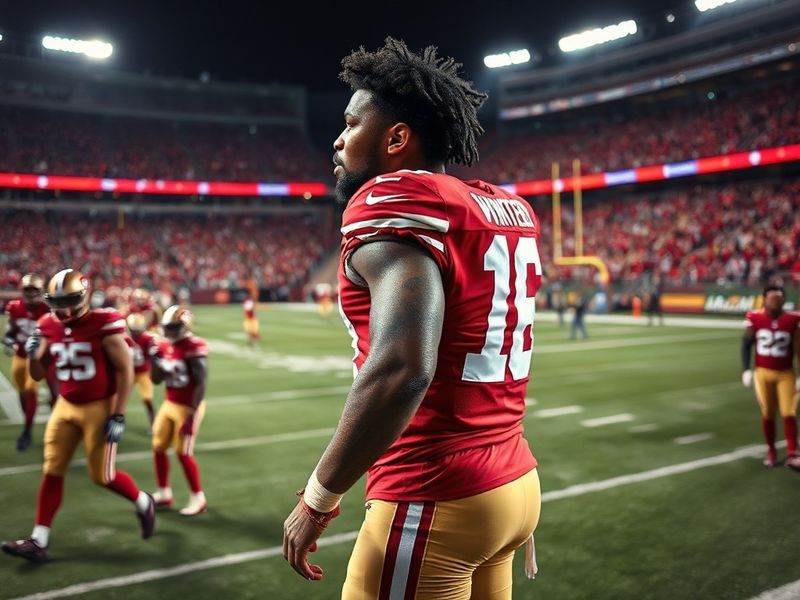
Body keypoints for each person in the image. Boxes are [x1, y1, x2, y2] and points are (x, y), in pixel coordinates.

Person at [282, 38, 543, 598]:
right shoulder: (504, 206)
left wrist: (318, 499)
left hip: (435, 492)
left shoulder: (393, 199)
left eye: (351, 124)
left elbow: (403, 368)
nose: (338, 139)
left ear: (396, 138)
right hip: (514, 482)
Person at [1, 269, 155, 563]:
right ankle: (38, 540)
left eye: (71, 301)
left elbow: (125, 370)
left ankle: (142, 501)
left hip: (99, 407)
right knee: (52, 468)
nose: (65, 310)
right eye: (58, 302)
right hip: (65, 405)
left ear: (85, 296)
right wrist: (33, 355)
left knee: (103, 476)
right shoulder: (48, 324)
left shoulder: (103, 323)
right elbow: (39, 373)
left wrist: (118, 414)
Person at [149, 305, 209, 516]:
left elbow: (201, 383)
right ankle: (163, 493)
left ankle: (198, 498)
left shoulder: (194, 347)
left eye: (173, 327)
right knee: (158, 446)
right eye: (167, 327)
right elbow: (156, 380)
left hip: (188, 406)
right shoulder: (165, 345)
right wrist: (154, 360)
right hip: (169, 403)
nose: (169, 332)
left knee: (183, 453)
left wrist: (191, 414)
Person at [741, 284, 800, 470]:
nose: (775, 302)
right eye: (771, 298)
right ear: (765, 300)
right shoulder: (755, 317)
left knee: (789, 412)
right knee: (768, 413)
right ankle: (771, 450)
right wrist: (746, 369)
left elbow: (799, 348)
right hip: (762, 373)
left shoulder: (793, 319)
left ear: (784, 300)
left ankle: (792, 453)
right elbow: (746, 343)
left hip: (786, 373)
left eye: (778, 298)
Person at [3, 273, 55, 450]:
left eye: (35, 290)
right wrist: (8, 341)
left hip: (41, 357)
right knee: (22, 391)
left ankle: (27, 431)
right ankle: (29, 420)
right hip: (21, 355)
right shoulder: (15, 307)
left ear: (41, 291)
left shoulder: (48, 309)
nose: (31, 294)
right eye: (28, 289)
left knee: (33, 389)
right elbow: (10, 332)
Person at [126, 313, 159, 431]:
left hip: (143, 373)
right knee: (118, 398)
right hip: (128, 372)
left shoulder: (148, 339)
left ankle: (154, 425)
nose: (136, 333)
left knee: (147, 399)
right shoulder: (124, 338)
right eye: (134, 331)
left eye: (138, 330)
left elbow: (154, 354)